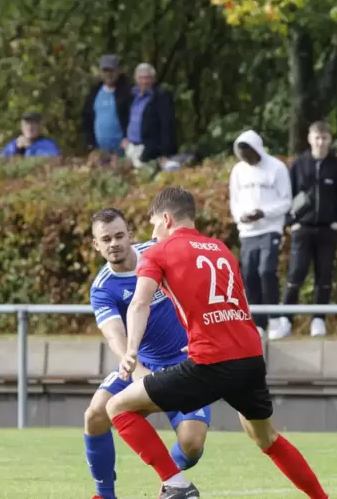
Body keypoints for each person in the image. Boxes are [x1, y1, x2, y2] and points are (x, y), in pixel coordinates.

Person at [105, 187, 328, 499]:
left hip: (212, 363)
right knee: (267, 439)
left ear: (166, 219)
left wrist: (131, 351)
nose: (152, 233)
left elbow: (139, 304)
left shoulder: (158, 252)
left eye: (154, 223)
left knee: (117, 407)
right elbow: (233, 307)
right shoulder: (220, 249)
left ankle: (176, 484)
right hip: (250, 357)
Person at [86, 207, 210, 499]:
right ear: (97, 245)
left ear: (130, 234)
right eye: (106, 239)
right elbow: (114, 333)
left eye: (119, 235)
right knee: (95, 414)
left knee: (192, 445)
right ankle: (105, 496)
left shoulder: (159, 251)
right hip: (142, 365)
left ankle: (172, 478)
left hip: (186, 363)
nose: (114, 243)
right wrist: (132, 363)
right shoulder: (102, 288)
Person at [276, 121, 337, 338]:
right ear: (310, 139)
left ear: (330, 140)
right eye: (317, 138)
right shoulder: (299, 165)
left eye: (325, 138)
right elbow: (287, 196)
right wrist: (291, 222)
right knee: (296, 274)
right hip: (303, 228)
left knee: (324, 276)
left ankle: (319, 319)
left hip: (328, 229)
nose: (320, 142)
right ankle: (286, 320)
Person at [229, 129, 292, 339]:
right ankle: (258, 323)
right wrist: (242, 218)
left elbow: (286, 201)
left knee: (266, 271)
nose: (246, 158)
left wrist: (263, 213)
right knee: (249, 275)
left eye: (249, 153)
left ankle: (275, 319)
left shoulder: (276, 167)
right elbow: (234, 201)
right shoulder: (238, 171)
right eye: (242, 155)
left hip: (269, 228)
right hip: (247, 232)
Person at [122, 63, 177, 169]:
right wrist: (125, 137)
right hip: (130, 147)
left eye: (147, 78)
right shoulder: (132, 96)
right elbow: (126, 119)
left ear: (153, 79)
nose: (144, 81)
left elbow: (167, 126)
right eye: (141, 78)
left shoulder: (161, 97)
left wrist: (165, 153)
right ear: (135, 79)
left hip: (149, 149)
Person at [81, 55, 132, 158]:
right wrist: (89, 142)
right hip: (100, 151)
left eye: (112, 70)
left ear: (118, 71)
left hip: (123, 151)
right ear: (100, 72)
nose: (108, 74)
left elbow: (133, 119)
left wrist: (128, 138)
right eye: (105, 71)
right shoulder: (94, 92)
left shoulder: (127, 93)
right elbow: (86, 118)